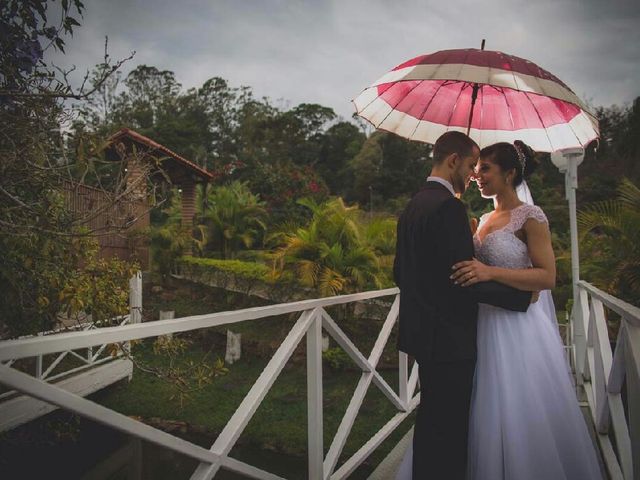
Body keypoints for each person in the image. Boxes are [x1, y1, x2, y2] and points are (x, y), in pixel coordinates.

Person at [448, 141, 604, 479]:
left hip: (516, 328)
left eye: (485, 169)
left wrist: (489, 271)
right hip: (480, 323)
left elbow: (547, 277)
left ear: (510, 173)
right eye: (477, 169)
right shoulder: (486, 218)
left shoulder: (531, 217)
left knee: (516, 404)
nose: (477, 175)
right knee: (483, 406)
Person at [393, 132, 534, 480]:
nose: (473, 175)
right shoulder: (449, 206)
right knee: (451, 431)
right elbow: (463, 279)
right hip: (450, 339)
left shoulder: (414, 204)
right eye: (471, 165)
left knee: (430, 421)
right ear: (453, 160)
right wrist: (520, 297)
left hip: (421, 334)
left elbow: (401, 272)